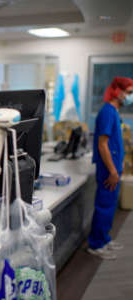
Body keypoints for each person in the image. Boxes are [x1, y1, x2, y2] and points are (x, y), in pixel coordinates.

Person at [87, 76, 133, 259]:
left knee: (110, 205)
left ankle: (104, 239)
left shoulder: (114, 112)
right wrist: (113, 170)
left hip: (114, 166)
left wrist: (119, 164)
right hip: (108, 169)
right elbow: (102, 145)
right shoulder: (107, 112)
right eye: (129, 92)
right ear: (118, 91)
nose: (130, 96)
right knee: (104, 205)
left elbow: (115, 142)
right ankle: (95, 244)